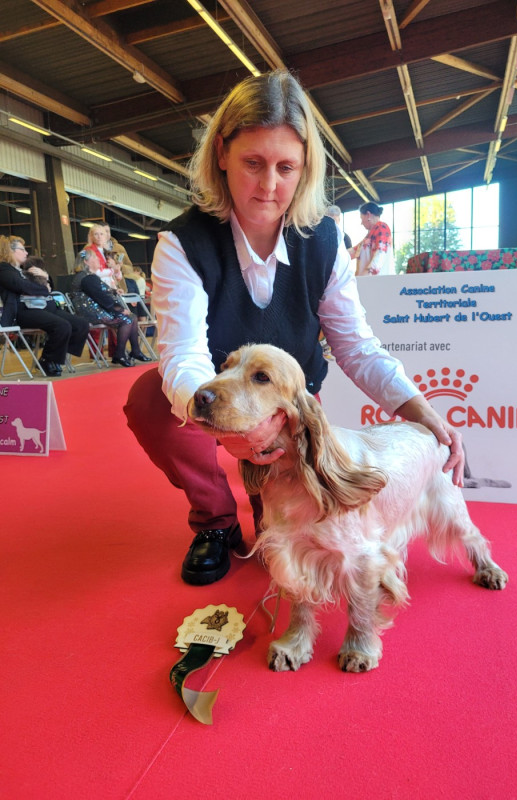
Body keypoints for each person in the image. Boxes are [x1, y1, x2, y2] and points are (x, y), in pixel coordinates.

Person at [123, 70, 464, 587]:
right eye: (253, 163)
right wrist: (228, 425)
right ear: (222, 153)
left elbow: (356, 347)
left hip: (288, 406)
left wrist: (422, 411)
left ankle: (266, 503)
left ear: (305, 169)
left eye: (286, 167)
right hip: (218, 393)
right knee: (149, 399)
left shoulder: (324, 240)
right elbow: (183, 355)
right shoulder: (181, 243)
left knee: (286, 537)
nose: (269, 186)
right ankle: (215, 519)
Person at [0, 236, 89, 376]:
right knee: (62, 325)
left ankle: (56, 355)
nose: (26, 253)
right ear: (10, 251)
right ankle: (48, 360)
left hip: (45, 307)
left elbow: (49, 287)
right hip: (24, 311)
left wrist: (45, 276)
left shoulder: (24, 268)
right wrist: (43, 289)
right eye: (22, 249)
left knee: (81, 324)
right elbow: (21, 286)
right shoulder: (4, 269)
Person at [70, 247, 151, 367]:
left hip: (95, 309)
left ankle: (135, 351)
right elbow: (101, 297)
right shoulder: (87, 278)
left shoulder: (88, 276)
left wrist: (114, 291)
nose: (98, 259)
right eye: (94, 257)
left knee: (132, 317)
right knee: (127, 319)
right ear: (86, 262)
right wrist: (120, 309)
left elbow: (101, 291)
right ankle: (120, 354)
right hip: (91, 312)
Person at [350, 201, 394, 276]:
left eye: (361, 218)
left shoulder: (381, 227)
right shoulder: (370, 235)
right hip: (369, 280)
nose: (361, 223)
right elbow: (354, 251)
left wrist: (365, 275)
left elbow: (380, 254)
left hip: (376, 280)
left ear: (368, 215)